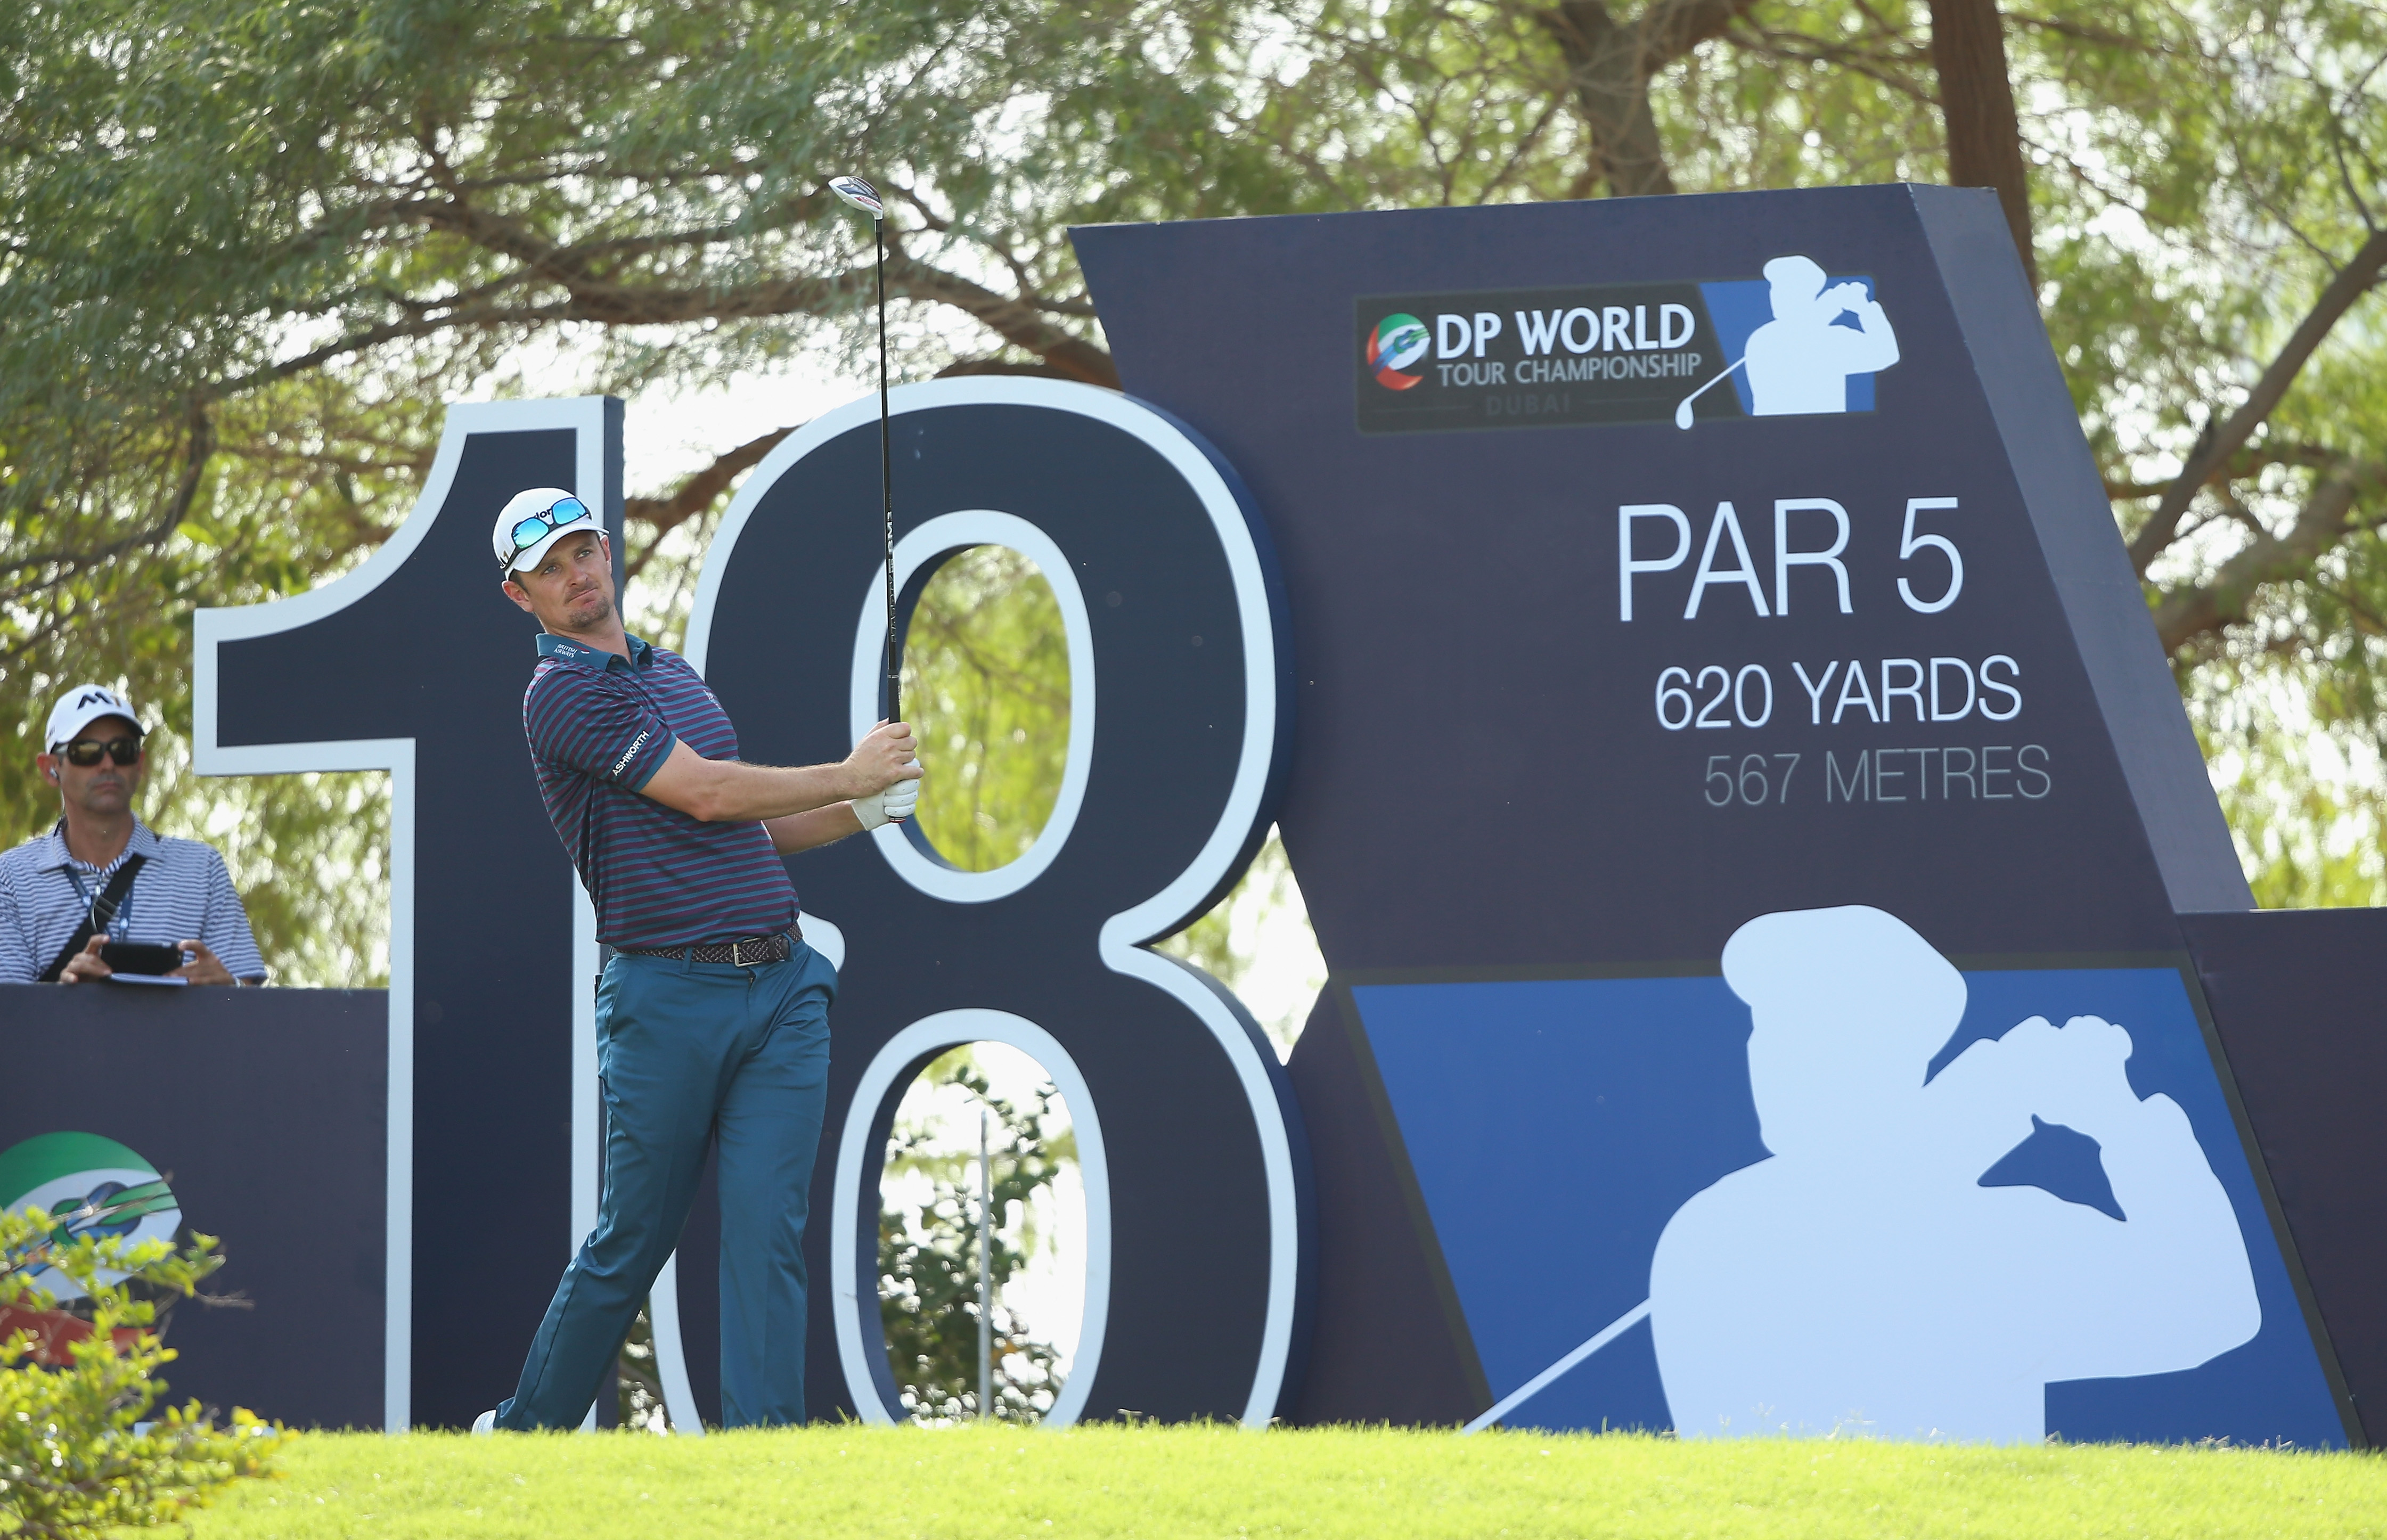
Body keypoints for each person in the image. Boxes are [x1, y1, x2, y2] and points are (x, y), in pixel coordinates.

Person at [478, 487, 920, 1432]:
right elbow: (711, 795)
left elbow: (749, 829)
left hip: (783, 988)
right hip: (665, 998)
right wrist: (848, 770)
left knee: (768, 1237)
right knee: (632, 1241)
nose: (575, 576)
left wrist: (863, 809)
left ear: (607, 548)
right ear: (523, 598)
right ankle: (525, 1435)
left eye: (581, 551)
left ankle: (762, 1464)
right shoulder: (558, 694)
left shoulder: (670, 672)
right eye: (547, 570)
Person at [1648, 904, 2258, 1442]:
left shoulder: (1986, 1235)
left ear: (1889, 1055)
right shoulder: (1711, 1237)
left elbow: (2216, 1305)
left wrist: (2119, 1120)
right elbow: (2211, 1296)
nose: (1770, 1053)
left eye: (1808, 1028)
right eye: (1768, 1024)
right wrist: (2111, 1116)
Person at [0, 685, 268, 987]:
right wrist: (68, 1001)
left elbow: (249, 1002)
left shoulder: (202, 869)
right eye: (86, 752)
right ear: (51, 769)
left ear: (139, 764)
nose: (108, 764)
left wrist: (228, 990)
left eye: (122, 751)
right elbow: (10, 1018)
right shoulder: (11, 877)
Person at [1740, 255, 1900, 416]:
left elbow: (1887, 354)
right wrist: (1862, 307)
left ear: (1808, 295)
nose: (1776, 296)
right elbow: (1885, 352)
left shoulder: (1766, 336)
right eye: (1775, 288)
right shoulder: (1763, 338)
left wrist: (1845, 306)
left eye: (1788, 290)